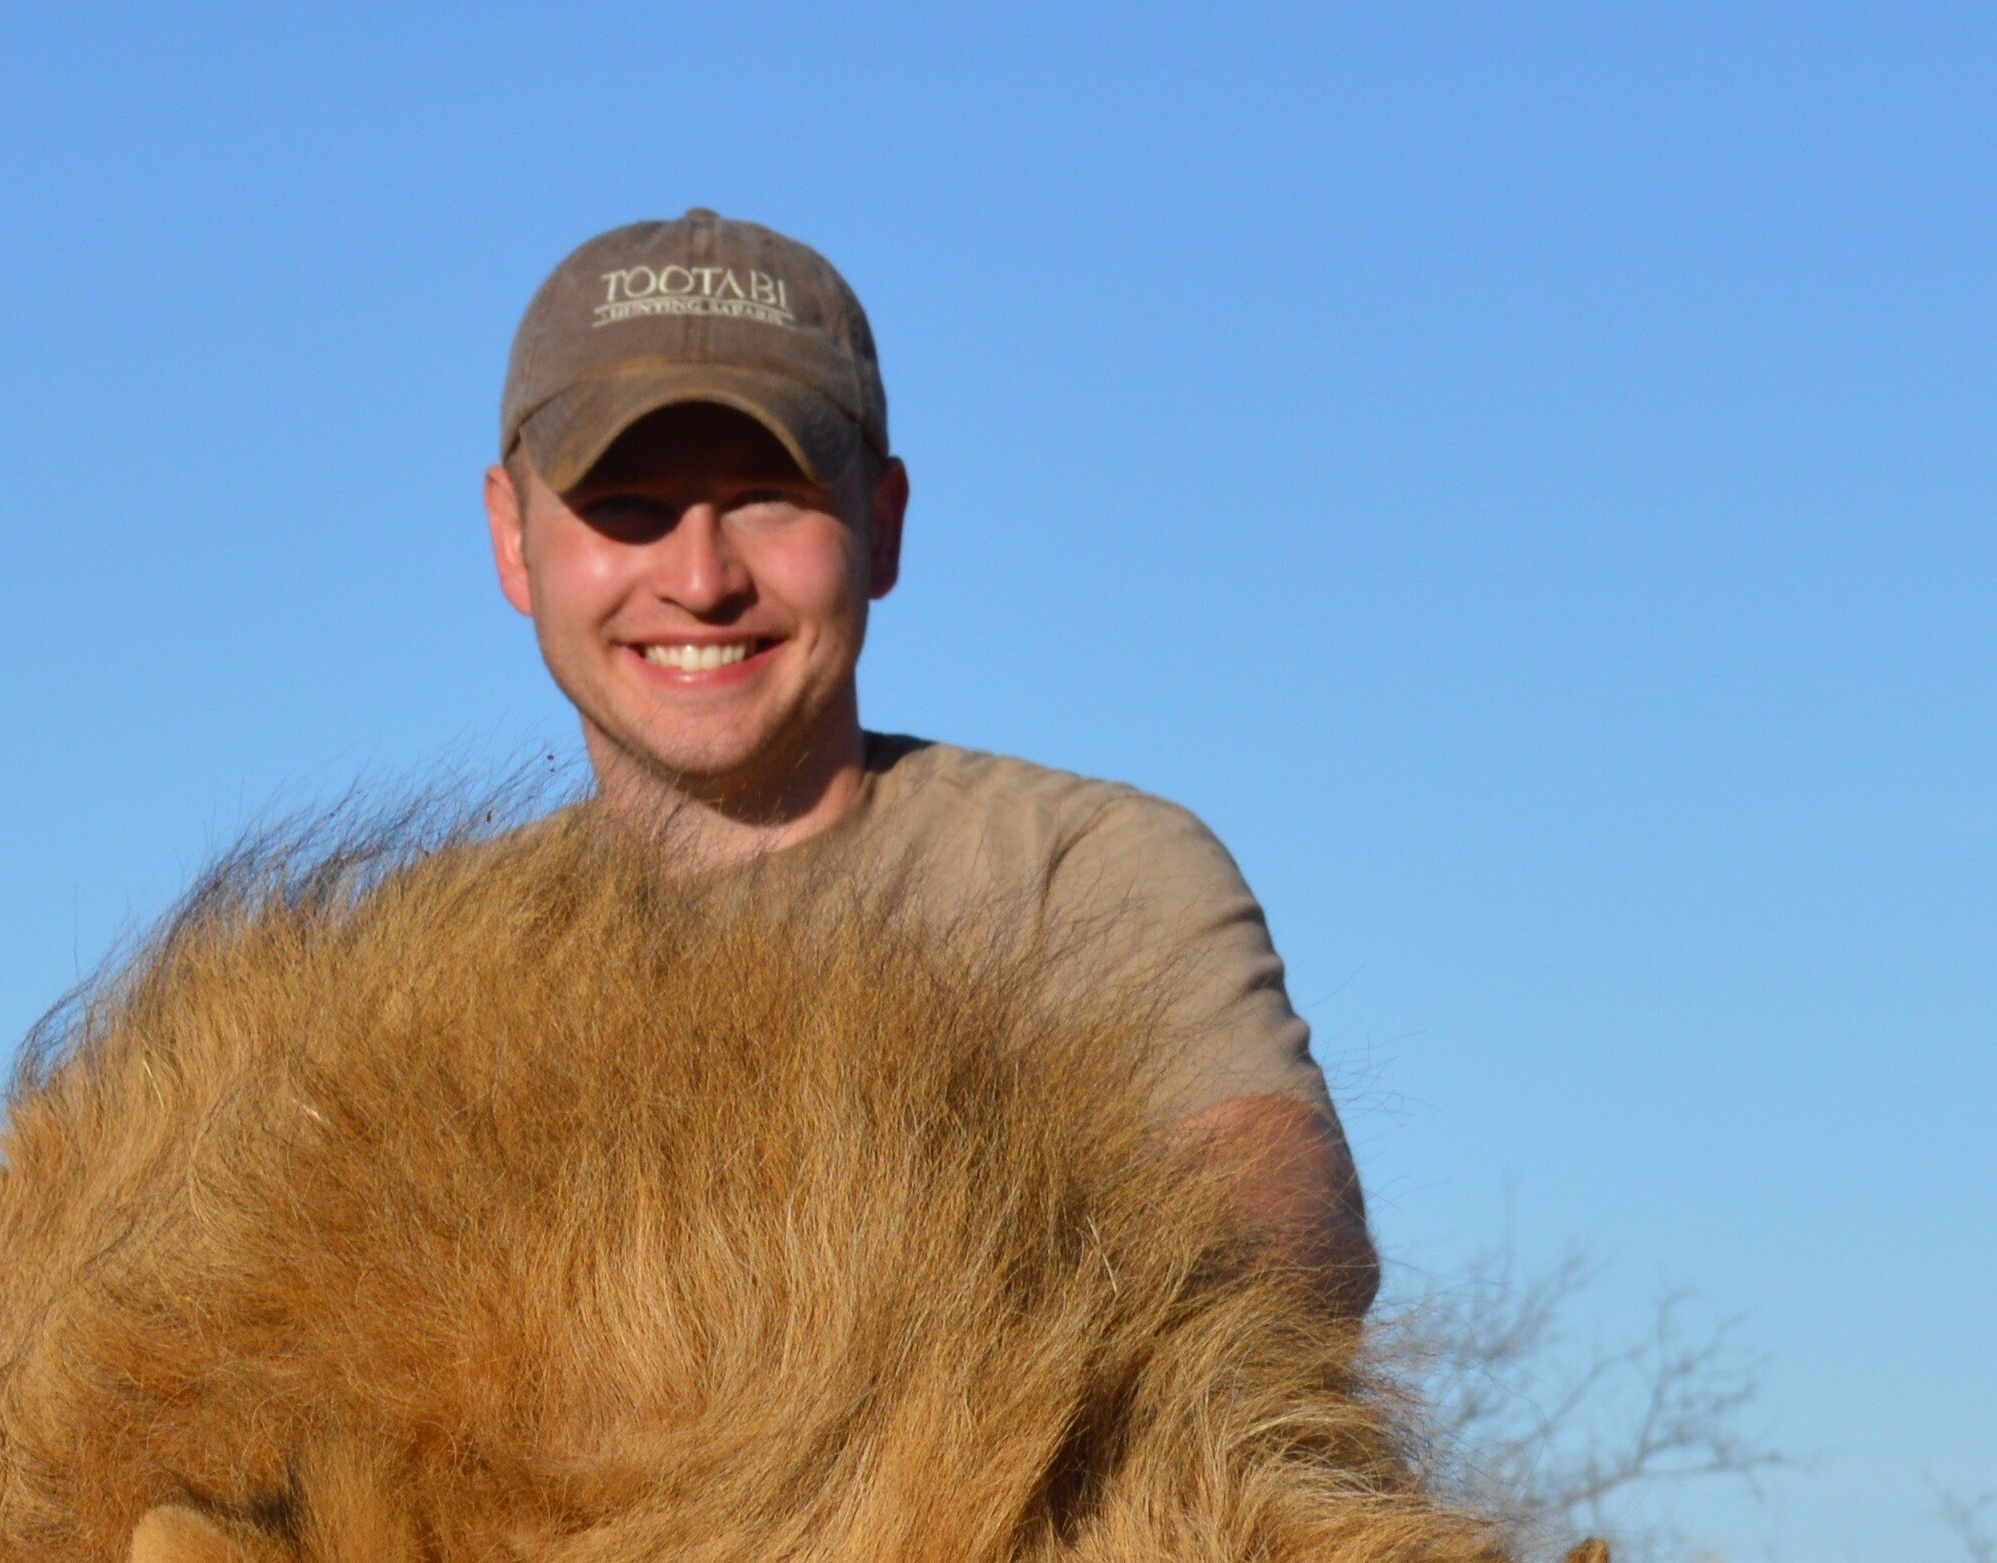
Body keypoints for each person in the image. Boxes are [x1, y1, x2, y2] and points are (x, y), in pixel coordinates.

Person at [485, 209, 1381, 1324]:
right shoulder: (416, 965)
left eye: (769, 497)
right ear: (512, 539)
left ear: (884, 522)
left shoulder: (1082, 871)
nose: (701, 578)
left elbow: (1284, 1245)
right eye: (627, 507)